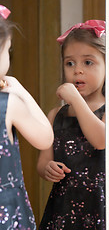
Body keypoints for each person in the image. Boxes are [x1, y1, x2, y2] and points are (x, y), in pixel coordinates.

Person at [0, 0, 54, 230]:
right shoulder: (7, 104)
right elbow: (45, 137)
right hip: (4, 218)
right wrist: (22, 92)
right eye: (8, 50)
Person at [37, 20, 105, 230]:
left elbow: (101, 140)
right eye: (70, 63)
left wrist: (75, 100)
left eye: (88, 62)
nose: (77, 71)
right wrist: (47, 169)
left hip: (98, 208)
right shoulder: (55, 115)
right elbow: (43, 161)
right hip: (62, 209)